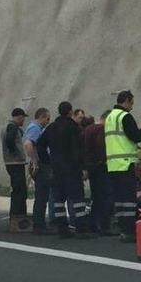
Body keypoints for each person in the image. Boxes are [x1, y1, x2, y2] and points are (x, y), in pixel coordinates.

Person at [105, 90, 141, 243]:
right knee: (128, 200)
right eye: (131, 102)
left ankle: (122, 229)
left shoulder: (110, 117)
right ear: (125, 101)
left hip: (113, 165)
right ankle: (130, 231)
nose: (132, 106)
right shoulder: (125, 116)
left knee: (119, 200)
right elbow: (134, 136)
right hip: (125, 163)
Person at [38, 101, 91, 238]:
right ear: (70, 112)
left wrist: (47, 162)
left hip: (56, 169)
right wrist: (83, 167)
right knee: (78, 199)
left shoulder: (51, 128)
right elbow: (80, 150)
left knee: (59, 200)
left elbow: (40, 145)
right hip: (72, 169)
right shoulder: (74, 128)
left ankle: (62, 228)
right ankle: (81, 228)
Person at [82, 109, 112, 234]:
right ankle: (104, 226)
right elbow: (102, 148)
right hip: (101, 166)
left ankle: (93, 223)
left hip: (90, 166)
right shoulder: (101, 130)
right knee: (105, 196)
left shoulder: (87, 129)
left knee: (96, 196)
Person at [24, 108, 54, 233]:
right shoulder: (35, 128)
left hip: (40, 164)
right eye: (47, 119)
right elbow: (28, 144)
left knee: (43, 194)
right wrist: (35, 161)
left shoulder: (37, 128)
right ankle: (39, 224)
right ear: (41, 117)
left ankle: (39, 222)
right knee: (42, 195)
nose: (47, 122)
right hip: (40, 165)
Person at [2, 108, 29, 223]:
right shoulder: (12, 127)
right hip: (15, 163)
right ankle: (18, 215)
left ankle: (16, 215)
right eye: (23, 117)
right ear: (19, 116)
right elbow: (9, 141)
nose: (24, 120)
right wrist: (16, 154)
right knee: (20, 190)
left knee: (17, 189)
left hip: (11, 163)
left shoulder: (8, 126)